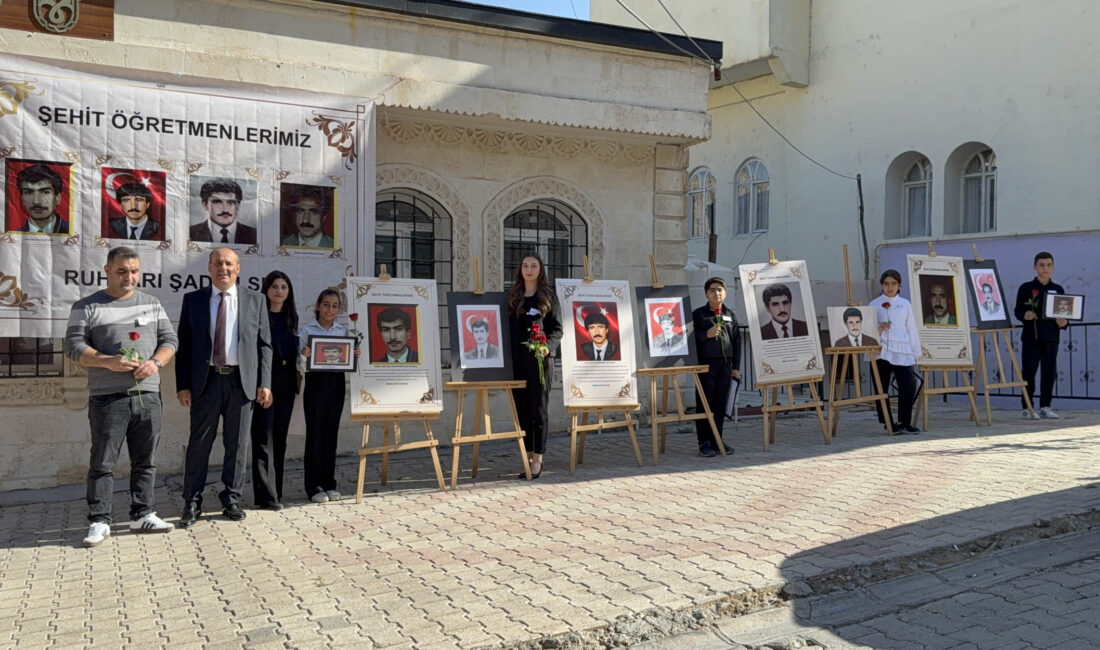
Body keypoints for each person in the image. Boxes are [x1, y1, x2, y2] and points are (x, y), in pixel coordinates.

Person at [64, 246, 178, 547]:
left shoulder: (152, 303)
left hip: (148, 394)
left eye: (134, 271)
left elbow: (169, 340)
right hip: (107, 396)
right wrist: (106, 361)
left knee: (146, 460)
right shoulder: (87, 306)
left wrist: (156, 362)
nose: (129, 277)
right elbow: (73, 346)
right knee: (103, 462)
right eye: (122, 271)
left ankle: (143, 513)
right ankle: (99, 520)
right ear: (107, 271)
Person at [176, 248, 272, 527]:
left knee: (238, 445)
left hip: (241, 384)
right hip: (205, 383)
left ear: (238, 269)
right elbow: (185, 347)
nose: (224, 268)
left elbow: (264, 346)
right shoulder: (193, 301)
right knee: (199, 444)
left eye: (229, 264)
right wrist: (183, 385)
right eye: (218, 263)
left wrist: (264, 383)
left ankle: (231, 498)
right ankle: (192, 500)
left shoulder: (256, 300)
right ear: (209, 267)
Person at [299, 289, 359, 503]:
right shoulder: (306, 331)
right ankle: (313, 486)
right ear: (318, 305)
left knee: (331, 435)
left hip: (336, 384)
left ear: (339, 309)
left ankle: (329, 483)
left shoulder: (343, 332)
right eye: (326, 305)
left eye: (334, 306)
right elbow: (300, 366)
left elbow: (348, 361)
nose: (330, 309)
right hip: (315, 385)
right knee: (315, 434)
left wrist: (354, 354)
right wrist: (304, 355)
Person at [507, 253, 563, 479]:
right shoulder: (513, 297)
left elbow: (557, 329)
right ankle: (528, 454)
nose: (529, 269)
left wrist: (546, 347)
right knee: (521, 410)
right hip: (517, 362)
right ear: (520, 270)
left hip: (540, 362)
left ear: (540, 270)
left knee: (538, 410)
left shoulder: (548, 297)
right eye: (525, 265)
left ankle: (538, 458)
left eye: (534, 265)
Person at [249, 271, 299, 511]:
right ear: (266, 290)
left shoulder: (292, 319)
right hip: (264, 385)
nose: (279, 291)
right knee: (262, 440)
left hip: (286, 386)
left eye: (284, 287)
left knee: (279, 440)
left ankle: (275, 492)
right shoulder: (259, 317)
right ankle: (265, 496)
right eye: (275, 287)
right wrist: (262, 384)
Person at [1014, 251, 1069, 420]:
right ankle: (1027, 407)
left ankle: (1046, 406)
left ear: (1053, 267)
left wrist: (1064, 322)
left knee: (1049, 373)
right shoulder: (1026, 288)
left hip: (1051, 338)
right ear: (1035, 267)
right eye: (1042, 265)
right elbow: (1018, 310)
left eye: (1049, 265)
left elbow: (1065, 314)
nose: (1045, 268)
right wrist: (1025, 315)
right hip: (1032, 337)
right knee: (1029, 373)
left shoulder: (1058, 289)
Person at [692, 277, 740, 457]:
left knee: (720, 404)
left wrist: (736, 367)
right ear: (706, 294)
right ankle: (704, 442)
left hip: (726, 365)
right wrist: (707, 334)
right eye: (712, 290)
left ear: (725, 293)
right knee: (705, 403)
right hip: (706, 365)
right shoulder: (699, 314)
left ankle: (717, 439)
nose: (716, 293)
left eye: (720, 290)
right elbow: (689, 340)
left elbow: (737, 342)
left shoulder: (730, 315)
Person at [869, 269, 922, 434]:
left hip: (901, 349)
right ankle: (888, 422)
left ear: (900, 285)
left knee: (908, 384)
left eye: (893, 284)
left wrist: (915, 351)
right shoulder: (873, 304)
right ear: (881, 285)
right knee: (881, 387)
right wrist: (878, 328)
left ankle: (905, 421)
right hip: (881, 350)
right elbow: (867, 330)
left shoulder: (905, 304)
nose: (890, 287)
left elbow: (911, 328)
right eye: (886, 284)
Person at [189, 178, 257, 244]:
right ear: (205, 205)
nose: (225, 210)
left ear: (237, 206)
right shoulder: (190, 233)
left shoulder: (255, 235)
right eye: (217, 202)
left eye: (231, 202)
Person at [12, 163, 70, 234]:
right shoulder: (12, 236)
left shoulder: (74, 233)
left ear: (58, 198)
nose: (36, 201)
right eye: (29, 192)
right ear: (22, 198)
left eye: (45, 192)